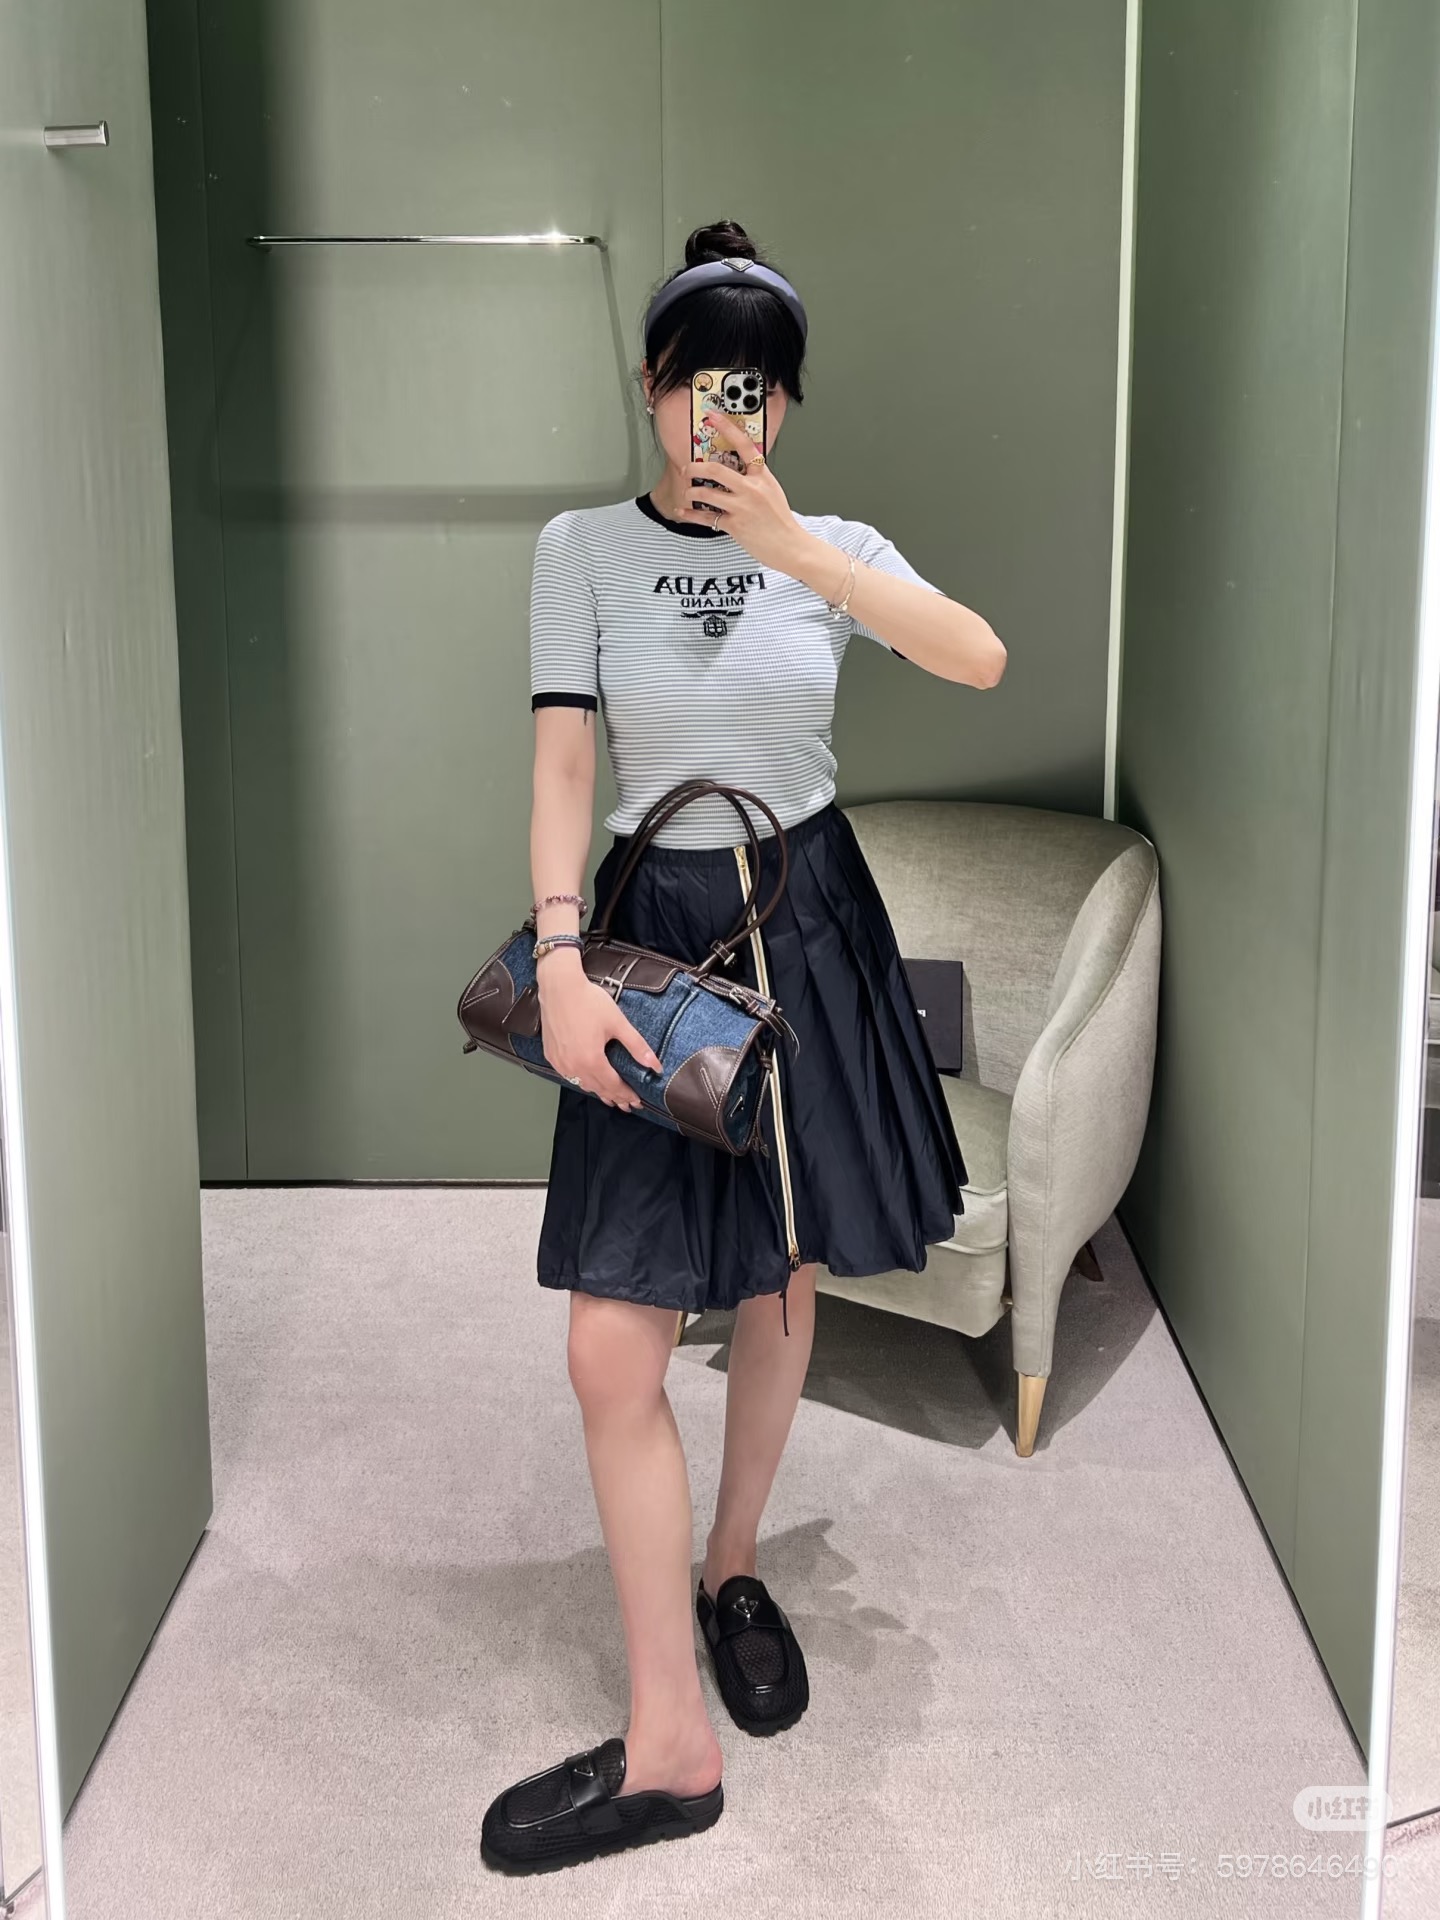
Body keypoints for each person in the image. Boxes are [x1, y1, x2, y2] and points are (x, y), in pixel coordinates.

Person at [480, 218, 1006, 1874]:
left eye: (758, 387)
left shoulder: (832, 543)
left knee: (783, 1278)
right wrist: (557, 959)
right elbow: (566, 762)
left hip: (808, 915)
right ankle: (672, 1746)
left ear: (783, 404)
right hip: (649, 930)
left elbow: (977, 657)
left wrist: (796, 550)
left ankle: (734, 1566)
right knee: (612, 1348)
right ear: (652, 389)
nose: (730, 412)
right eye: (703, 381)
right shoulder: (580, 549)